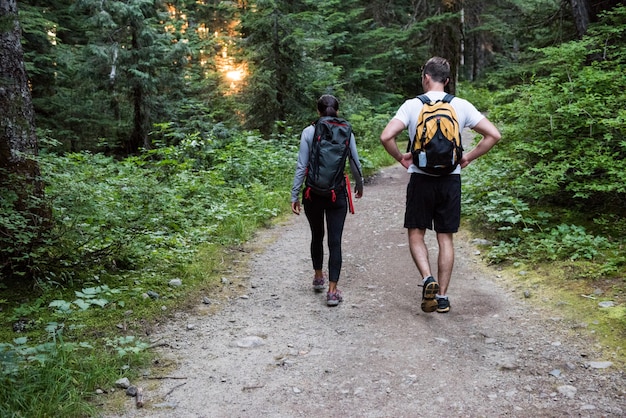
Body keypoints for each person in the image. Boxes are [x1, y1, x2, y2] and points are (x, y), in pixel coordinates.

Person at [380, 56, 501, 314]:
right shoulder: (461, 105)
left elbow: (386, 136)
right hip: (450, 179)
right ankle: (443, 297)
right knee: (445, 238)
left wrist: (400, 157)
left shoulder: (412, 105)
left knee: (416, 234)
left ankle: (427, 278)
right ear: (447, 80)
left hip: (421, 178)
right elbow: (494, 135)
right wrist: (467, 157)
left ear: (425, 77)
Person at [291, 94, 364, 306]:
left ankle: (318, 276)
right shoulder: (346, 131)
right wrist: (359, 187)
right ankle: (332, 291)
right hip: (337, 194)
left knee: (317, 235)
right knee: (335, 241)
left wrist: (295, 195)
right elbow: (355, 162)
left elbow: (301, 166)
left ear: (318, 111)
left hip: (312, 194)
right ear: (337, 111)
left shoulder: (309, 131)